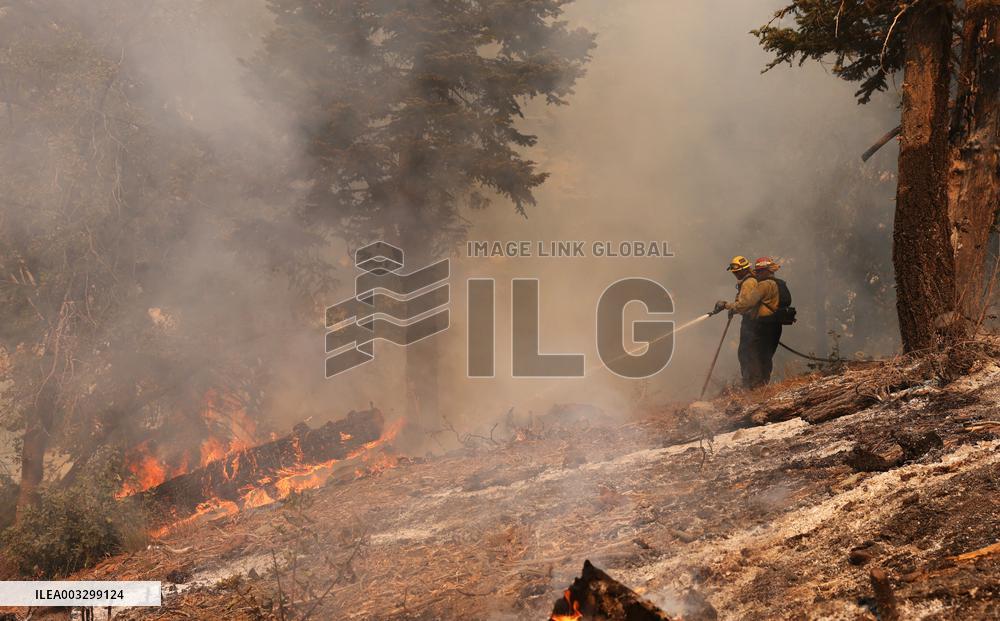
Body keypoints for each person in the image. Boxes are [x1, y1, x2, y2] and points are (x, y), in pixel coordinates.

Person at [713, 255, 780, 389]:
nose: (735, 273)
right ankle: (760, 385)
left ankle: (753, 387)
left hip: (756, 325)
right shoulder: (767, 283)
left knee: (748, 354)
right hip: (768, 324)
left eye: (737, 271)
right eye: (733, 272)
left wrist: (727, 305)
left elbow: (745, 305)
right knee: (761, 355)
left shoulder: (756, 284)